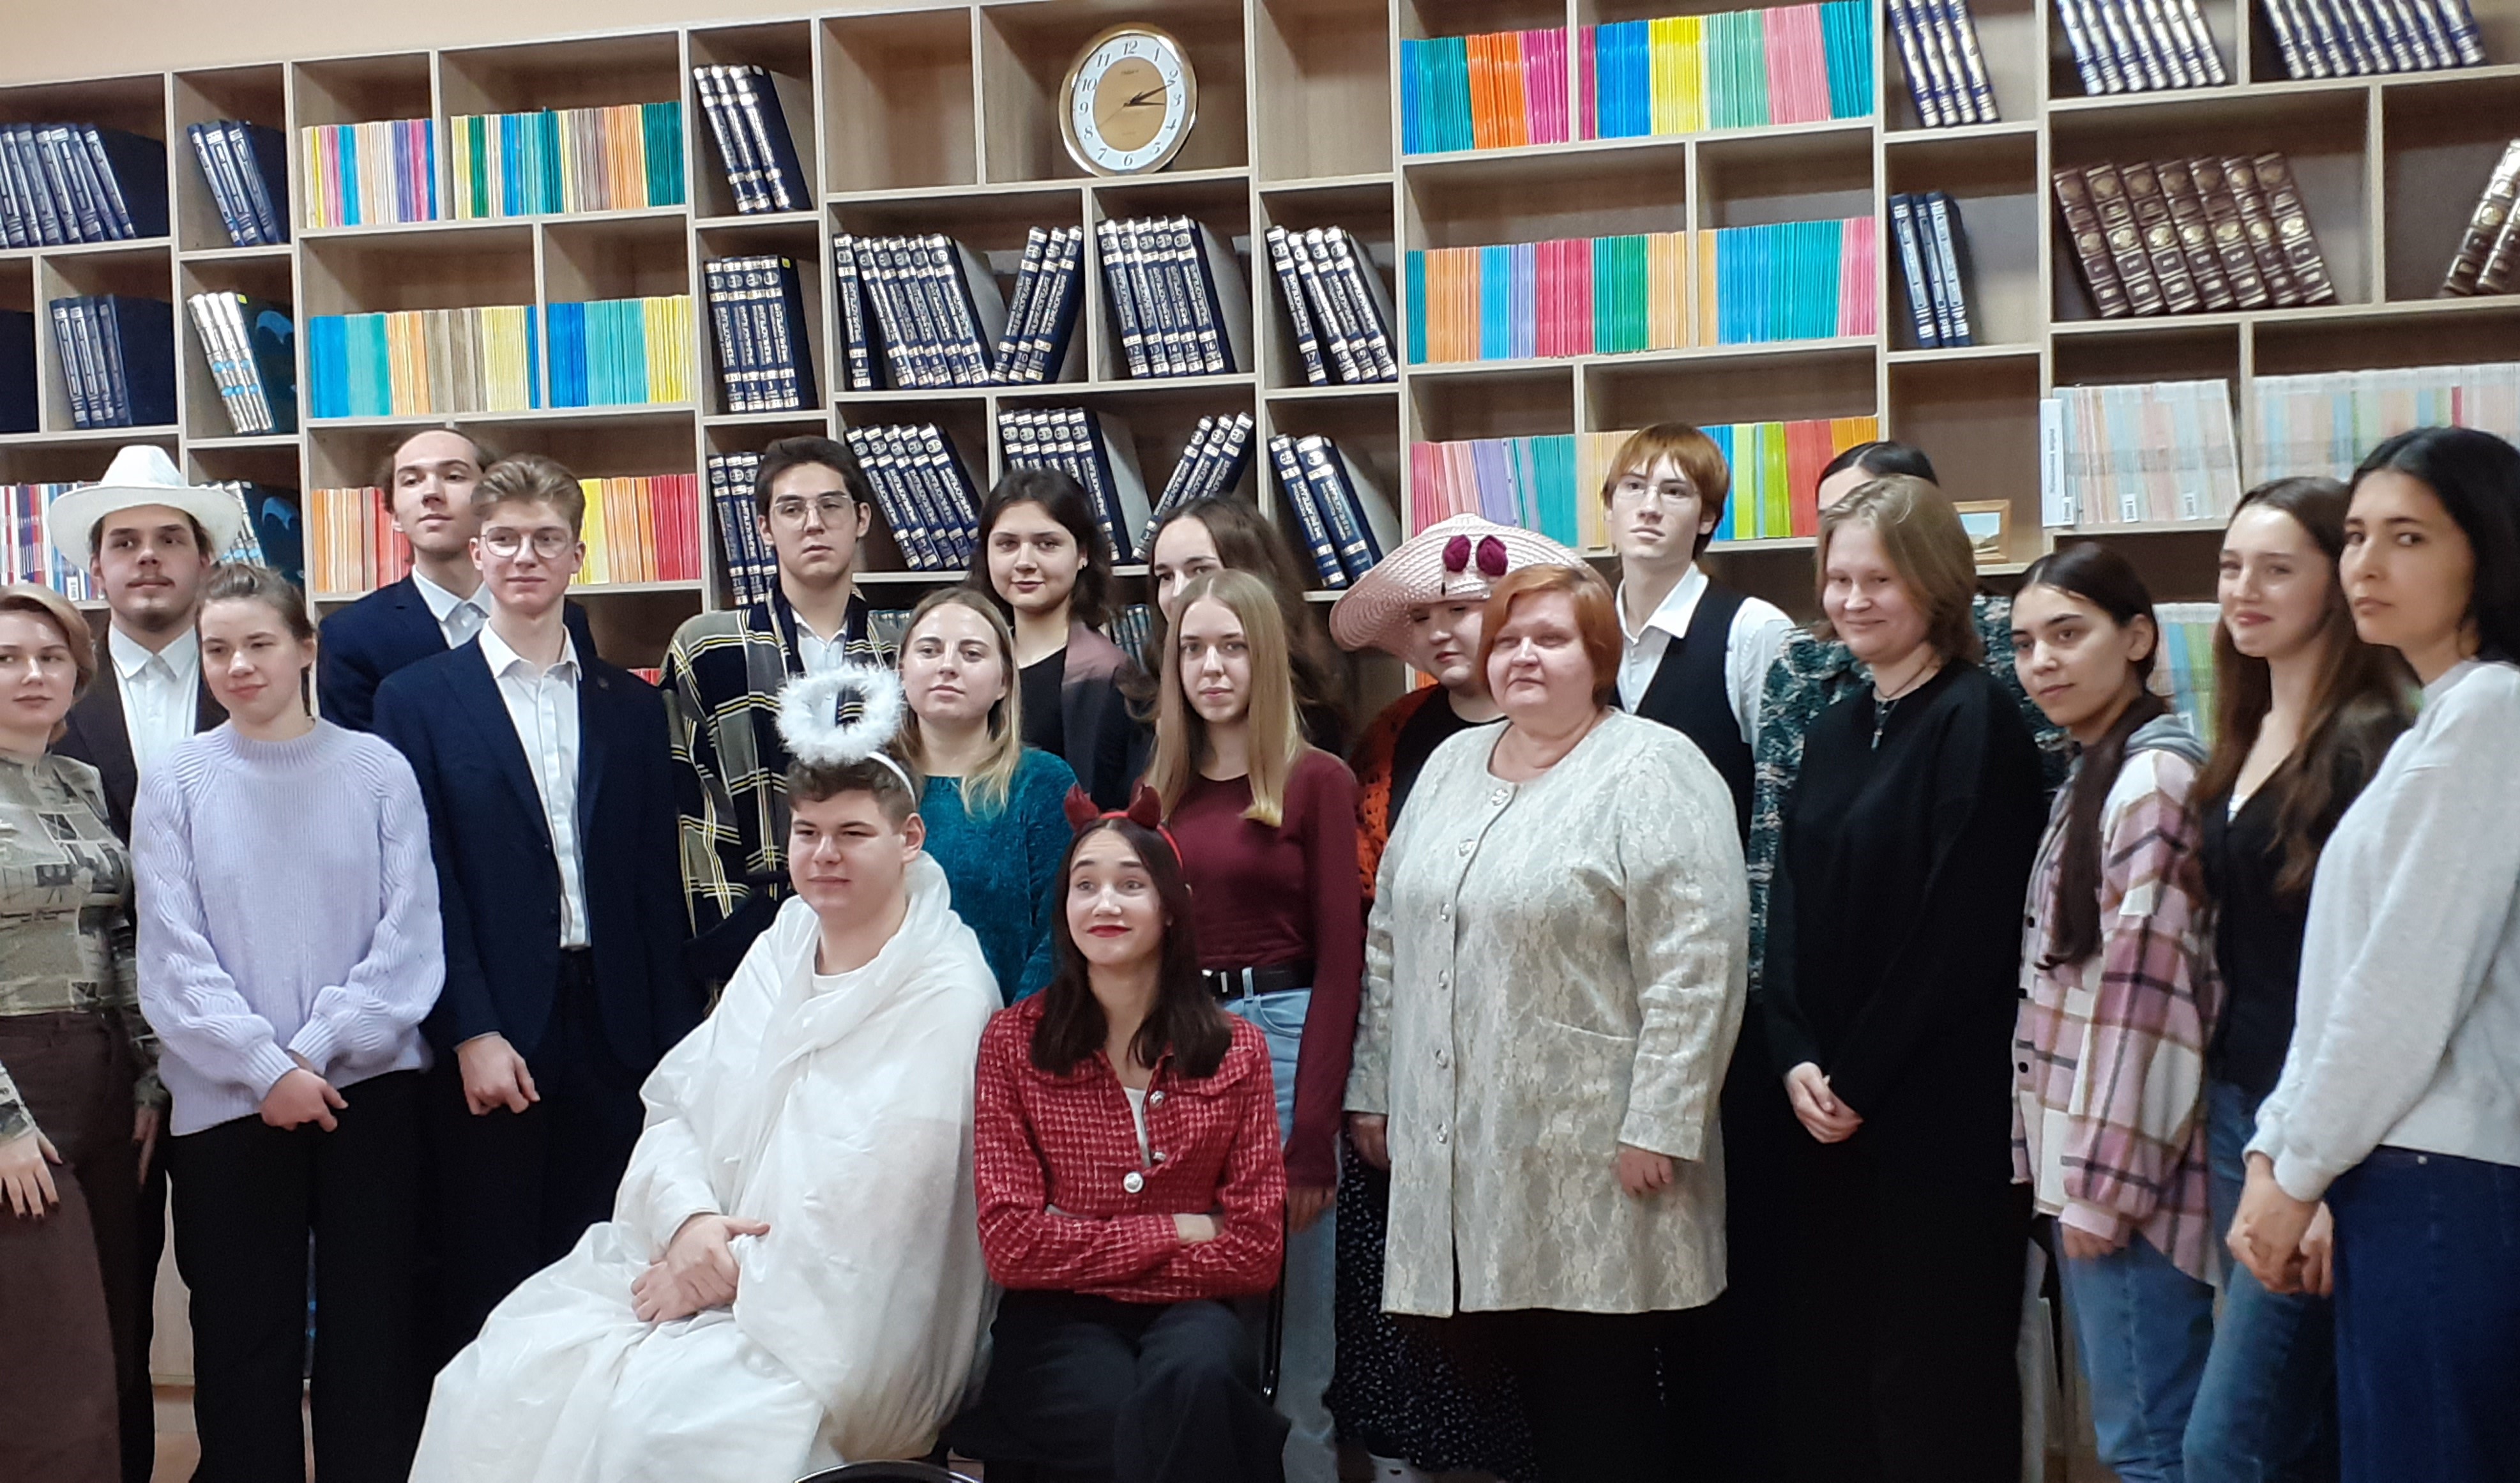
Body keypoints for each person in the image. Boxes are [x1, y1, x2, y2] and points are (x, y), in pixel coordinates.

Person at [413, 663, 999, 1481]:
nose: (824, 856)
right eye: (807, 833)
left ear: (908, 840)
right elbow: (681, 1107)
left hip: (832, 1319)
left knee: (657, 1429)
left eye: (853, 834)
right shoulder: (783, 943)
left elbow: (882, 1210)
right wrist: (688, 1222)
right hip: (699, 1258)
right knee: (499, 1373)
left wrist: (719, 1276)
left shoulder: (948, 990)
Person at [1347, 561, 1747, 1481]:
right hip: (1464, 1153)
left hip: (1599, 1153)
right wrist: (1374, 1085)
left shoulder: (1654, 767)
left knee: (1596, 1399)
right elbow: (1389, 937)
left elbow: (1699, 963)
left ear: (1598, 657)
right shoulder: (1450, 765)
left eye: (1551, 638)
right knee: (1509, 1397)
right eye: (1508, 640)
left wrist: (1662, 1121)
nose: (1523, 656)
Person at [1728, 441, 2054, 1480]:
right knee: (1832, 1369)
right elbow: (1786, 899)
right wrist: (1792, 1051)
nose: (1853, 599)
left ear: (1936, 584)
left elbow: (1958, 932)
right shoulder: (1833, 725)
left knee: (1935, 1379)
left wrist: (1857, 1076)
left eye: (1879, 578)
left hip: (1932, 1111)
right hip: (1822, 1107)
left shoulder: (1977, 717)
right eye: (1838, 578)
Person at [2229, 427, 2520, 1483]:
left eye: (2407, 536)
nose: (2365, 563)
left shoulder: (2492, 710)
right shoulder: (2439, 720)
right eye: (2354, 535)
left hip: (2446, 1174)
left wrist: (2294, 1164)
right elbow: (2344, 981)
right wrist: (2278, 1148)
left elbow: (2405, 982)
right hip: (2401, 1168)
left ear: (2486, 549)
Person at [372, 453, 699, 1362]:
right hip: (496, 1033)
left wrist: (676, 1048)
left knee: (611, 1266)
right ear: (477, 552)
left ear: (576, 556)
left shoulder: (631, 707)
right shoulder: (416, 701)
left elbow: (656, 885)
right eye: (506, 539)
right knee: (492, 1274)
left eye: (546, 539)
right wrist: (470, 1028)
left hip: (620, 1027)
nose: (526, 556)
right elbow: (423, 883)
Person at [133, 564, 443, 1482]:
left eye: (259, 644)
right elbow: (172, 952)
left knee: (370, 1329)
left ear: (306, 649)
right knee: (242, 1335)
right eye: (217, 649)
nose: (238, 666)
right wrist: (265, 1067)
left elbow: (408, 939)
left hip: (367, 1090)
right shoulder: (177, 778)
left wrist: (310, 1053)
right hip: (229, 1101)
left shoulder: (377, 770)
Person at [1322, 513, 1582, 1483]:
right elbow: (1373, 914)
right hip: (1413, 1039)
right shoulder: (1394, 736)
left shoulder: (1563, 728)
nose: (1441, 632)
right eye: (1424, 617)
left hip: (1528, 1048)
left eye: (1463, 611)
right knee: (1417, 1284)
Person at [953, 790, 1290, 1483]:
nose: (1104, 904)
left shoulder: (1238, 1049)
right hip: (1057, 1318)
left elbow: (1256, 1253)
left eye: (1130, 885)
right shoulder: (1013, 1041)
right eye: (1085, 886)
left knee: (1198, 1378)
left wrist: (1079, 1238)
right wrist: (1181, 1229)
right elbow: (1013, 1248)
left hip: (1192, 1310)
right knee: (1112, 1410)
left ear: (1171, 908)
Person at [2182, 478, 2410, 1483]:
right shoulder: (2240, 726)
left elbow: (2375, 979)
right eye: (2231, 566)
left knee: (2225, 1442)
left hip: (2327, 1130)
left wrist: (2314, 1181)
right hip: (2239, 1105)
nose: (2244, 589)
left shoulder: (2372, 741)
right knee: (2302, 1432)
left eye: (2277, 569)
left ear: (2336, 582)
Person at [44, 443, 246, 1483]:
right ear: (98, 569)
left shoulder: (254, 675)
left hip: (234, 1036)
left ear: (206, 560)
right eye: (126, 542)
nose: (149, 557)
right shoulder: (48, 693)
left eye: (171, 538)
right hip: (94, 1046)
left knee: (237, 1286)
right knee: (104, 1295)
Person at [2008, 544, 2218, 1483]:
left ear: (2137, 638)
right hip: (2091, 1157)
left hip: (2129, 1176)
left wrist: (2099, 1187)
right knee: (2139, 1431)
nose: (2042, 662)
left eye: (2068, 634)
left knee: (2149, 1441)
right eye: (2024, 644)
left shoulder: (2151, 781)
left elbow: (2145, 996)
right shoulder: (2096, 768)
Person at [1148, 568, 1362, 1483]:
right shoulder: (1160, 789)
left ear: (1265, 657)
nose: (1212, 667)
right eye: (1194, 648)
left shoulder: (1315, 780)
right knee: (1202, 1308)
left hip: (1281, 1033)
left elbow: (1342, 964)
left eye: (1232, 647)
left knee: (1296, 1329)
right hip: (1181, 1041)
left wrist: (1312, 1139)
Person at [0, 584, 149, 1483]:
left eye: (51, 657)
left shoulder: (80, 782)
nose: (33, 673)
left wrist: (150, 1074)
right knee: (52, 1357)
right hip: (16, 1078)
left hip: (103, 1074)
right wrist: (3, 1123)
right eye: (8, 658)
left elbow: (116, 930)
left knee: (112, 1332)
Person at [660, 436, 893, 987]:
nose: (813, 524)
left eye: (831, 505)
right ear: (765, 528)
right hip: (749, 930)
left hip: (885, 923)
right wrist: (734, 933)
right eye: (792, 509)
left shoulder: (903, 649)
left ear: (861, 519)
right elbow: (691, 803)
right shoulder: (707, 647)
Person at [317, 427, 597, 733]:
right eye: (411, 481)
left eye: (453, 476)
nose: (431, 494)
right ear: (394, 514)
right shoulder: (350, 636)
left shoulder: (565, 619)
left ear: (491, 500)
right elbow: (359, 757)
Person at [1600, 423, 1796, 835]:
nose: (1649, 507)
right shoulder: (1586, 634)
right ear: (1609, 508)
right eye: (1633, 487)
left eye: (1674, 492)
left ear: (1707, 517)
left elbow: (1788, 797)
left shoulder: (1755, 630)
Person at [893, 586, 1079, 1002]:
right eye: (929, 651)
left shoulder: (1043, 782)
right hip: (879, 1027)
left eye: (972, 654)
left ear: (1004, 682)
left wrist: (1014, 1029)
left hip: (1008, 1025)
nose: (948, 666)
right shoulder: (867, 781)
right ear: (901, 670)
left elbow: (1059, 932)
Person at [969, 466, 1146, 809]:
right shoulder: (968, 665)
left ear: (1082, 554)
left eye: (1047, 544)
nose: (1024, 562)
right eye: (1007, 544)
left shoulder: (1109, 676)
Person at [1143, 496, 1349, 752]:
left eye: (1200, 571)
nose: (1178, 593)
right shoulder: (1141, 702)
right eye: (1165, 577)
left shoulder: (1310, 715)